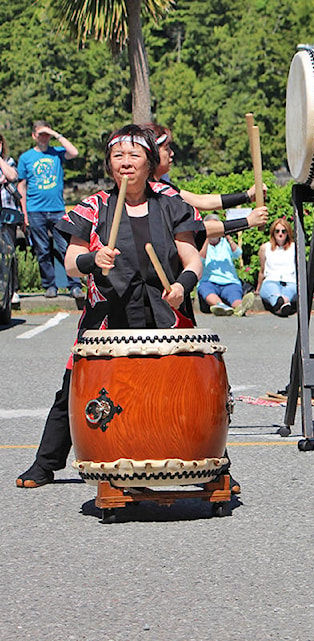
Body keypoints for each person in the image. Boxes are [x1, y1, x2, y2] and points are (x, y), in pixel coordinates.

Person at [16, 124, 205, 488]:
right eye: (118, 156)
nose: (126, 163)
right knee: (76, 386)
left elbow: (191, 257)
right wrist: (94, 258)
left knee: (183, 388)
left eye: (135, 155)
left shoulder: (171, 204)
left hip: (164, 310)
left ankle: (209, 463)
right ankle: (45, 463)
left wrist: (183, 285)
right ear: (109, 165)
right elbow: (71, 261)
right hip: (107, 314)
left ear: (150, 162)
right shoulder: (93, 207)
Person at [143, 123, 268, 239]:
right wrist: (248, 221)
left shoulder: (162, 187)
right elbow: (197, 229)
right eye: (166, 149)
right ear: (153, 152)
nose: (172, 153)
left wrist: (246, 196)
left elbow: (200, 201)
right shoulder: (150, 193)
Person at [17, 120, 84, 303]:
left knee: (65, 247)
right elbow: (21, 186)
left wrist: (55, 134)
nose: (44, 138)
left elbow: (74, 152)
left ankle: (75, 285)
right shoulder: (26, 158)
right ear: (34, 136)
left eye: (46, 135)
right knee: (42, 250)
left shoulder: (56, 153)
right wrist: (24, 212)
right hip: (35, 209)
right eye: (41, 134)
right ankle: (50, 285)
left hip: (57, 209)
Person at [198, 214, 256, 316]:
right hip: (209, 281)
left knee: (234, 295)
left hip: (229, 281)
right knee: (206, 290)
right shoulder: (202, 244)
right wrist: (207, 237)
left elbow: (238, 253)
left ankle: (240, 307)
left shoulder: (225, 243)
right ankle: (221, 306)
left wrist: (228, 236)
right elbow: (200, 259)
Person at [257, 217, 297, 317]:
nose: (280, 234)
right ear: (273, 233)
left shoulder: (295, 247)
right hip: (271, 280)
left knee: (290, 291)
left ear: (288, 233)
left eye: (283, 231)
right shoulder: (265, 247)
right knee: (272, 292)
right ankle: (282, 304)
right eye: (277, 231)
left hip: (290, 281)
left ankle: (280, 305)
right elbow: (262, 270)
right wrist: (258, 288)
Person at [0, 134, 21, 309]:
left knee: (9, 252)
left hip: (6, 214)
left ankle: (12, 290)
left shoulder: (8, 161)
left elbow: (12, 175)